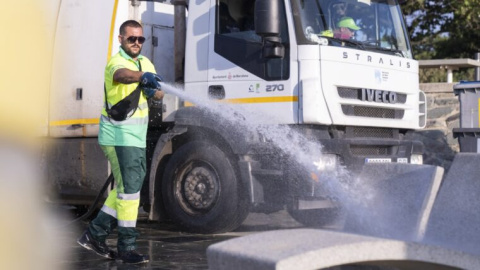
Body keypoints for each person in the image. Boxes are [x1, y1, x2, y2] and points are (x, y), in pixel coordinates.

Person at [77, 20, 164, 264]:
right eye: (131, 39)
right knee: (130, 193)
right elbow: (122, 76)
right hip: (118, 136)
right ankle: (126, 247)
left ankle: (94, 235)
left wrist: (153, 88)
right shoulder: (116, 63)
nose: (136, 43)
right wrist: (141, 77)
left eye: (140, 39)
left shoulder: (145, 62)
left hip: (135, 138)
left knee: (127, 189)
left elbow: (160, 91)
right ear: (121, 39)